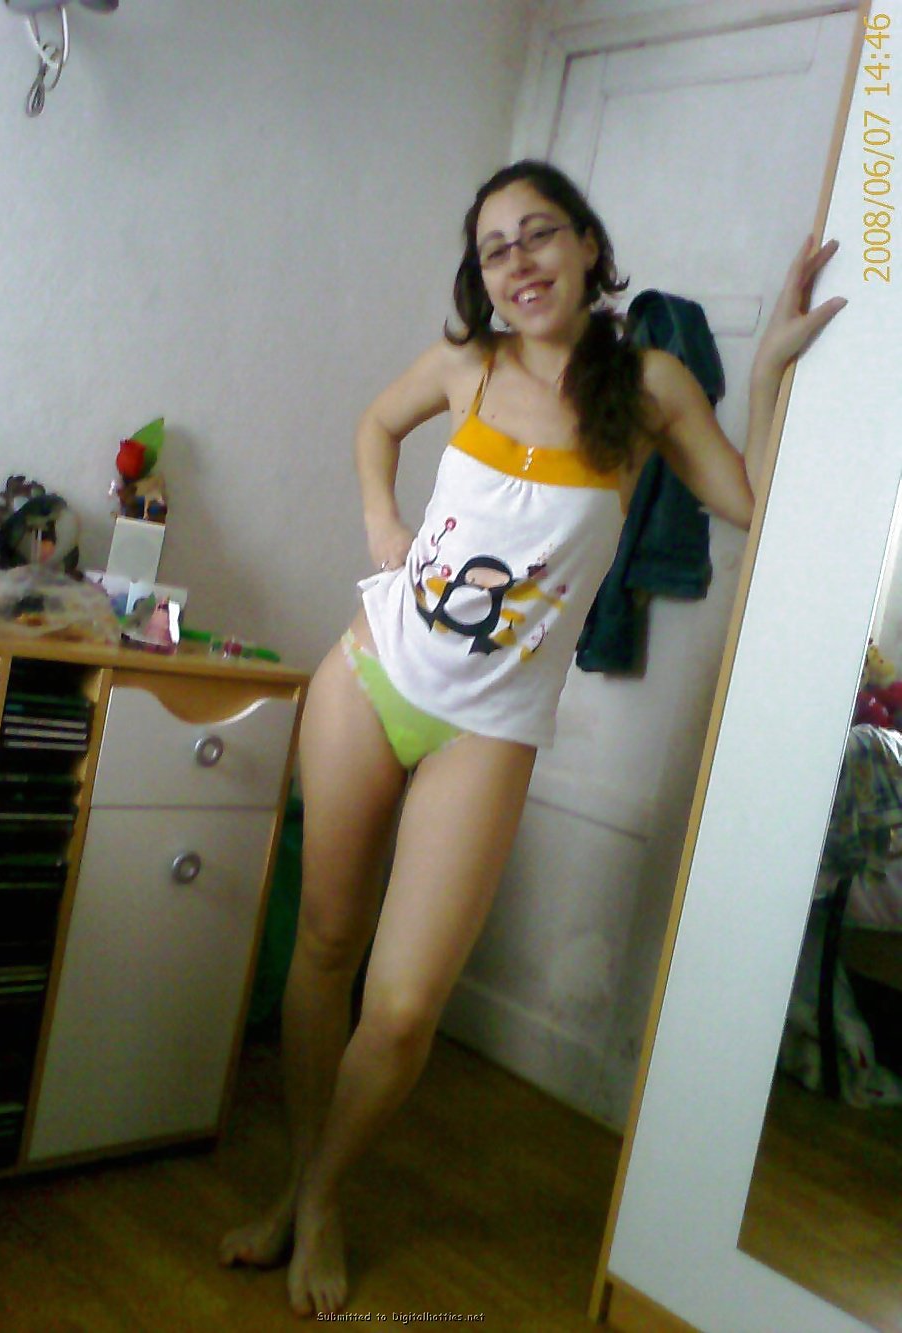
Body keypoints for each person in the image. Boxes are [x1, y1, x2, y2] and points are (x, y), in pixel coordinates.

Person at [219, 159, 845, 1317]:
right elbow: (376, 423)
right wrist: (380, 516)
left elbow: (750, 504)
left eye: (538, 233)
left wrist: (766, 369)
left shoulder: (646, 384)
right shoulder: (465, 362)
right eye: (494, 248)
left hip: (490, 728)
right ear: (482, 276)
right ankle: (306, 1190)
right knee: (324, 943)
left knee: (402, 1005)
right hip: (369, 674)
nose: (518, 261)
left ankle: (319, 1191)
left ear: (588, 246)